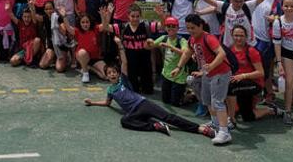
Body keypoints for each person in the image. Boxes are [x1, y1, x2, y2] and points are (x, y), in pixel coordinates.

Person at [84, 54, 215, 140]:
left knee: (169, 117)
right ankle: (156, 126)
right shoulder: (110, 90)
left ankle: (200, 129)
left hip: (143, 104)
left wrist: (120, 46)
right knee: (124, 121)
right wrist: (92, 102)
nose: (112, 74)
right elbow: (107, 103)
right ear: (106, 76)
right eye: (109, 73)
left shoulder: (123, 81)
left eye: (114, 72)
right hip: (134, 113)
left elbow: (124, 63)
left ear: (118, 74)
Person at [170, 14, 233, 145]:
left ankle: (224, 132)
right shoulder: (192, 40)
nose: (190, 30)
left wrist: (210, 67)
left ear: (200, 26)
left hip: (220, 73)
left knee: (217, 102)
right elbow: (187, 52)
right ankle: (216, 124)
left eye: (193, 27)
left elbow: (222, 54)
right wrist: (178, 67)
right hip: (207, 74)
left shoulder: (209, 38)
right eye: (188, 28)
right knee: (208, 101)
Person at [147, 16, 189, 106]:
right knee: (165, 100)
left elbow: (185, 53)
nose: (171, 28)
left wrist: (170, 47)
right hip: (166, 74)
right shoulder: (164, 37)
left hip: (179, 76)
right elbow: (150, 46)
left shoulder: (181, 40)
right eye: (168, 26)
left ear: (177, 28)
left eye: (173, 26)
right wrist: (148, 41)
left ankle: (190, 96)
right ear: (165, 28)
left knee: (175, 103)